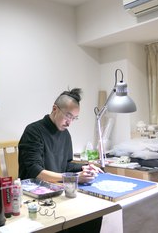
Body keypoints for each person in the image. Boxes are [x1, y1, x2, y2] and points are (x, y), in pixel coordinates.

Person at [18, 88, 103, 233]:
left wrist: (85, 168)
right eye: (68, 116)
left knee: (94, 214)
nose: (69, 122)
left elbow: (66, 164)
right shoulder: (33, 131)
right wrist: (74, 178)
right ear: (55, 109)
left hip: (57, 192)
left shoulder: (65, 134)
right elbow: (35, 171)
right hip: (34, 198)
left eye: (74, 118)